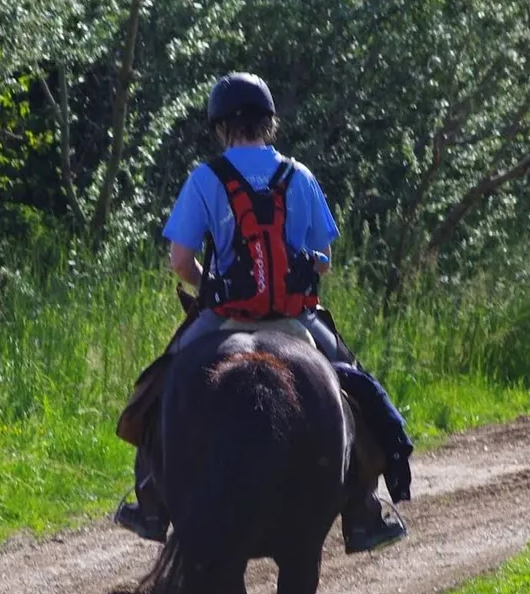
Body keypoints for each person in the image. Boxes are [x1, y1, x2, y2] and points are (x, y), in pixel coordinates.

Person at [112, 73, 413, 554]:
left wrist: (212, 288)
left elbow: (179, 262)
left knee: (160, 386)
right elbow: (323, 259)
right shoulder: (301, 176)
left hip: (224, 318)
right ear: (268, 123)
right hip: (295, 321)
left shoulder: (205, 178)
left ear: (220, 127)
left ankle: (150, 503)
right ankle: (365, 508)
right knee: (352, 386)